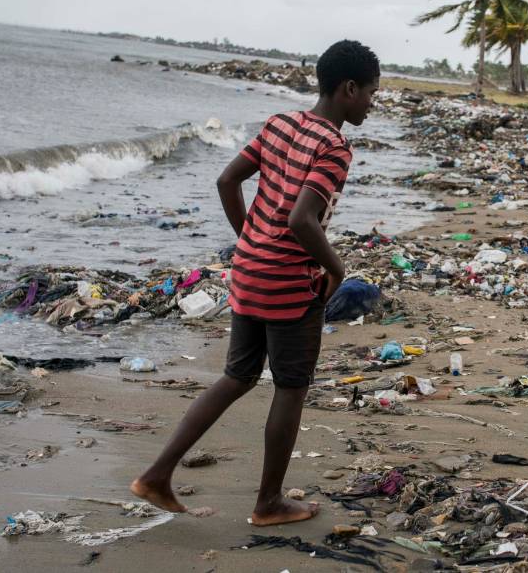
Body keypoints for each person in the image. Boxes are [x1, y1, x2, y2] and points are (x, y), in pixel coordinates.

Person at [131, 40, 379, 525]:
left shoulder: (279, 123)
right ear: (349, 89)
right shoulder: (334, 147)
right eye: (371, 92)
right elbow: (303, 220)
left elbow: (227, 181)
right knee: (291, 387)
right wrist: (336, 270)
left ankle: (157, 475)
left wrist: (249, 238)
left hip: (248, 271)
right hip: (290, 283)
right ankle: (268, 503)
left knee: (238, 376)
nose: (372, 103)